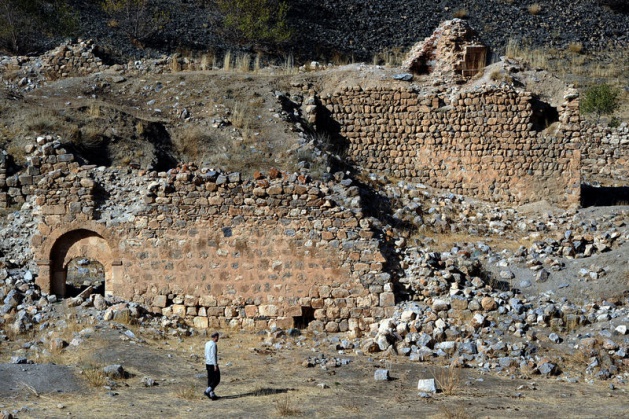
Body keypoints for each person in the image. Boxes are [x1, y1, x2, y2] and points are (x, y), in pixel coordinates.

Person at [204, 332, 220, 400]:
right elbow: (214, 355)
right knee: (217, 379)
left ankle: (212, 395)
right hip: (212, 364)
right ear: (215, 337)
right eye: (217, 337)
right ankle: (207, 391)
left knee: (210, 380)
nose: (218, 339)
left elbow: (205, 353)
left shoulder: (207, 343)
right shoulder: (213, 344)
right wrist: (215, 365)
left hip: (207, 363)